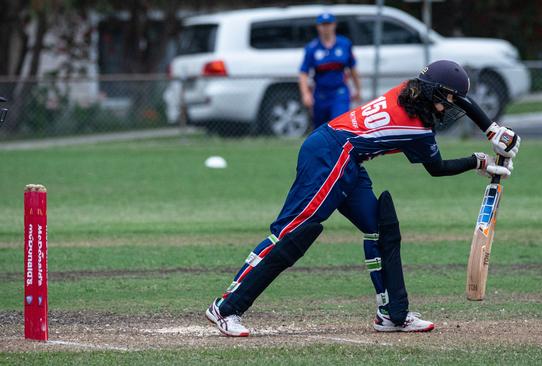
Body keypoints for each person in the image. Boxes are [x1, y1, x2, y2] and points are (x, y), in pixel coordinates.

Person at [206, 60, 521, 337]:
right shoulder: (416, 130)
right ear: (433, 96)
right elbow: (436, 169)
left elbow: (461, 100)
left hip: (348, 158)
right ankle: (226, 307)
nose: (450, 109)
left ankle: (392, 315)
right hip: (330, 155)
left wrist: (492, 129)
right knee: (293, 232)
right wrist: (477, 161)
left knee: (380, 227)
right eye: (447, 102)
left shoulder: (409, 91)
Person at [299, 12, 361, 130]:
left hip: (340, 92)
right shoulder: (312, 48)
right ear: (318, 27)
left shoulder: (344, 44)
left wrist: (357, 89)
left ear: (334, 25)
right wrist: (305, 93)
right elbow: (303, 72)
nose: (326, 28)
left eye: (328, 24)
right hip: (320, 93)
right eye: (323, 25)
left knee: (339, 124)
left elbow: (352, 69)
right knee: (321, 129)